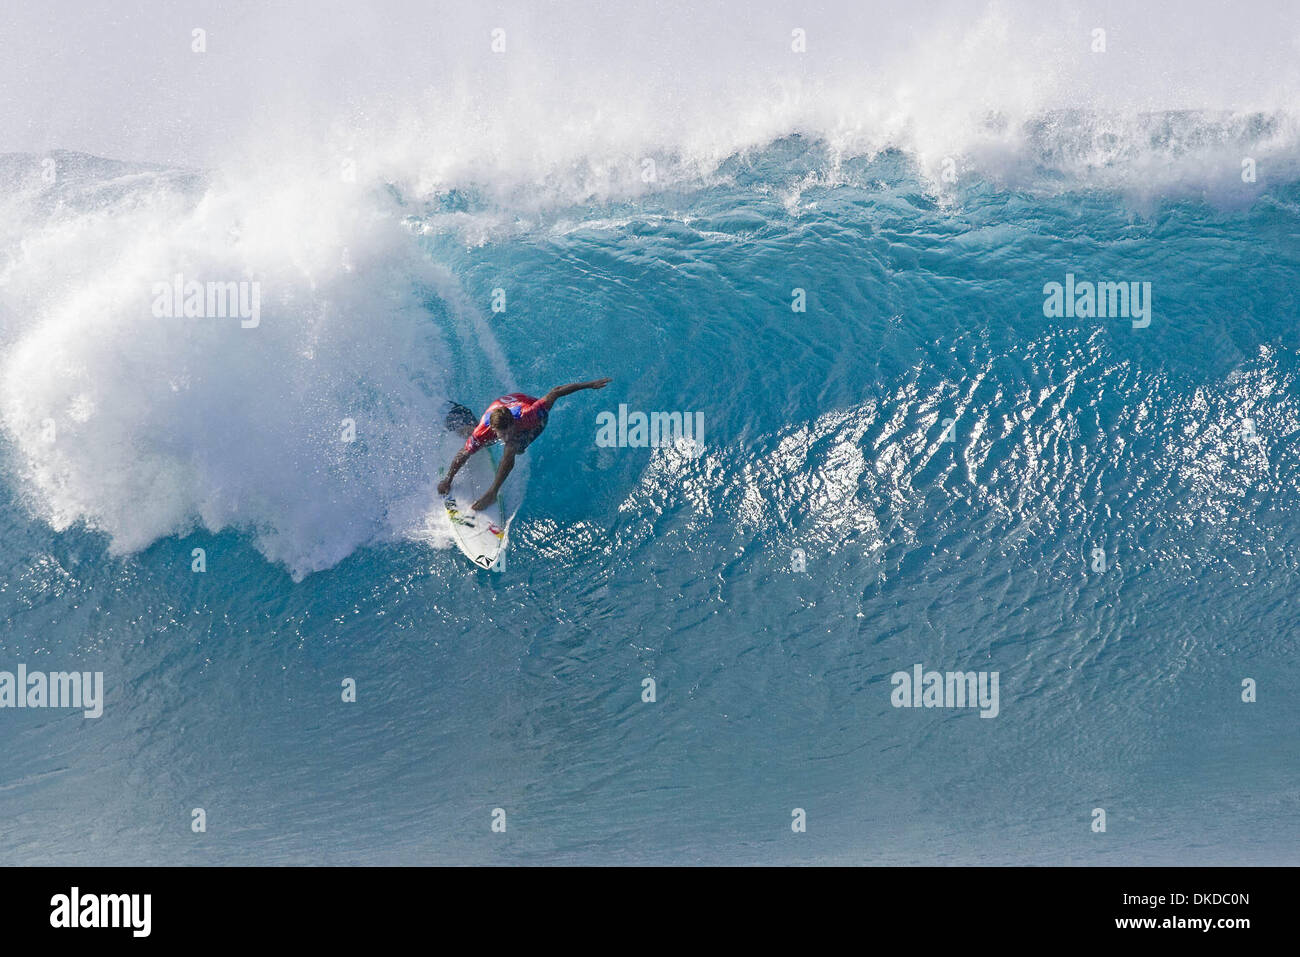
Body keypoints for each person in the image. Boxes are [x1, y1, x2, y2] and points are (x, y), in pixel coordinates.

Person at [438, 378, 612, 511]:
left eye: (508, 431)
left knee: (512, 447)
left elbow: (556, 392)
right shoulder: (484, 430)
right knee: (473, 444)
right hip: (498, 410)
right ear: (493, 428)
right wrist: (448, 479)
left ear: (513, 423)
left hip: (533, 420)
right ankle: (459, 419)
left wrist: (591, 384)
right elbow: (463, 454)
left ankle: (492, 492)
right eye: (501, 433)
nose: (505, 436)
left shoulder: (530, 414)